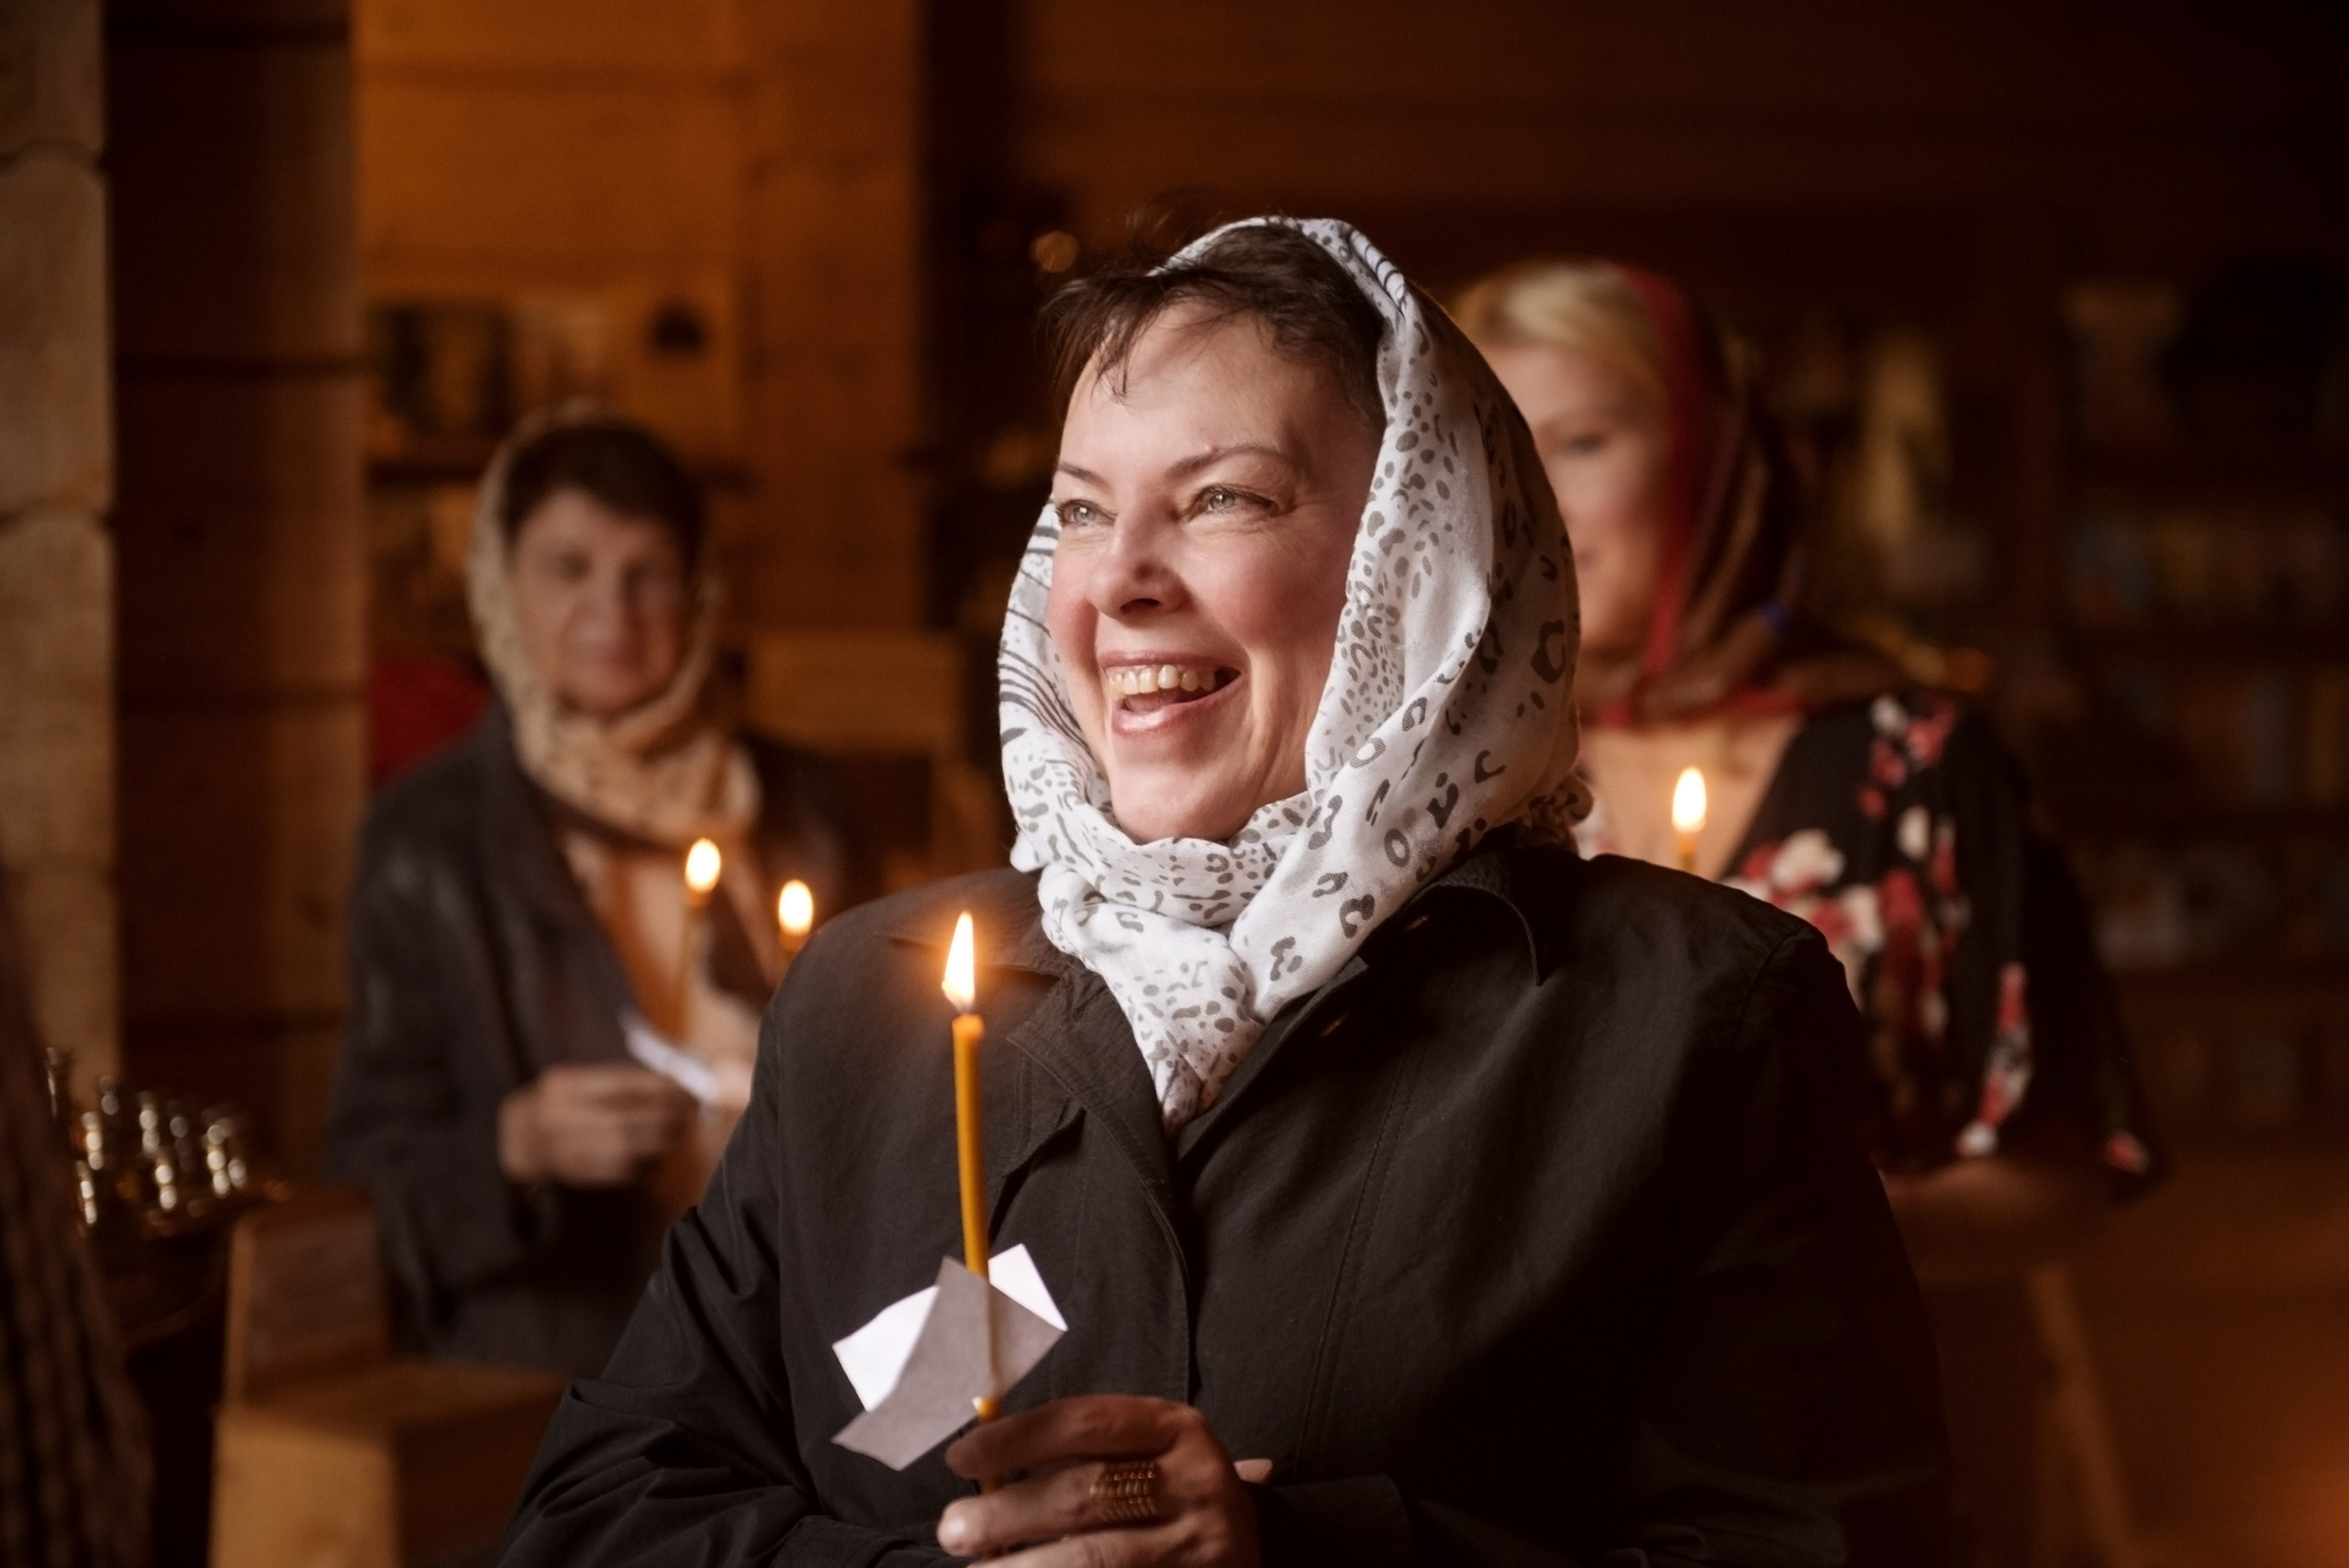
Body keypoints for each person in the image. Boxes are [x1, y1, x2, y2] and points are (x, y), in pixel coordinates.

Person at [499, 219, 1948, 1567]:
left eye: (1224, 499)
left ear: (1417, 568)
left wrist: (1302, 1556)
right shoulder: (868, 1008)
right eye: (1079, 511)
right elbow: (594, 1512)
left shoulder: (1691, 1021)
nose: (1119, 580)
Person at [1454, 258, 2163, 1565]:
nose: (1535, 497)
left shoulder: (1914, 762)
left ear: (1720, 463)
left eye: (1586, 439)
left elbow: (2064, 1174)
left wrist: (1785, 1221)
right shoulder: (1462, 788)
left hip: (1857, 1465)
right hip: (1531, 1492)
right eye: (1499, 451)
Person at [329, 412, 852, 1375]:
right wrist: (516, 1148)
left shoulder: (793, 803)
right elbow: (371, 1187)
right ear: (500, 584)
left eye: (648, 573)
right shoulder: (430, 842)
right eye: (568, 567)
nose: (612, 610)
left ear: (699, 595)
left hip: (792, 1344)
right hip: (564, 1375)